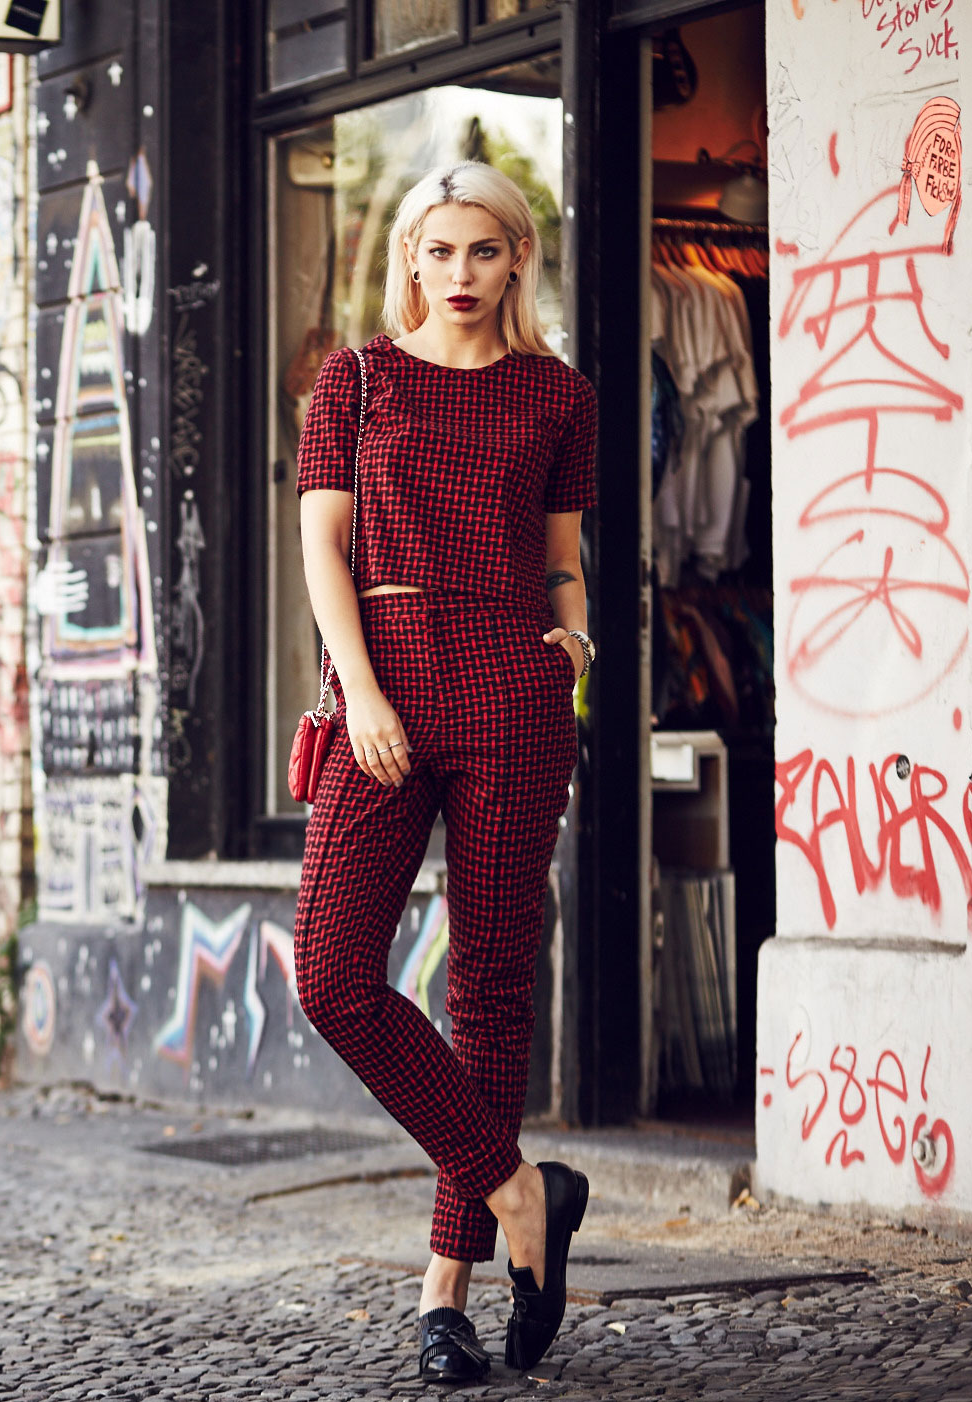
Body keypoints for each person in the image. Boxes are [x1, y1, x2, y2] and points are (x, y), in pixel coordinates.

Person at [292, 161, 597, 1385]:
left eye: (483, 251)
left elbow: (562, 558)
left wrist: (569, 637)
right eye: (438, 252)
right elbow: (321, 543)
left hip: (513, 688)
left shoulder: (558, 397)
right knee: (330, 972)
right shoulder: (354, 377)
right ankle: (522, 1193)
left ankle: (443, 1294)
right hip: (387, 674)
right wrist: (361, 687)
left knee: (487, 990)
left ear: (517, 256)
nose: (459, 275)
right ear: (407, 257)